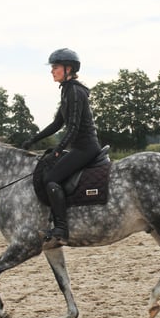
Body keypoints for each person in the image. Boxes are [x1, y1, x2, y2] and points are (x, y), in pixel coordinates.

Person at [21, 48, 101, 246]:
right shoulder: (67, 90)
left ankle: (62, 228)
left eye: (55, 67)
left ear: (68, 68)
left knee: (51, 179)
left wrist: (59, 148)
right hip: (79, 147)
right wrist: (34, 139)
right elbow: (57, 123)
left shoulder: (74, 91)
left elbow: (73, 126)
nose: (52, 71)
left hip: (85, 148)